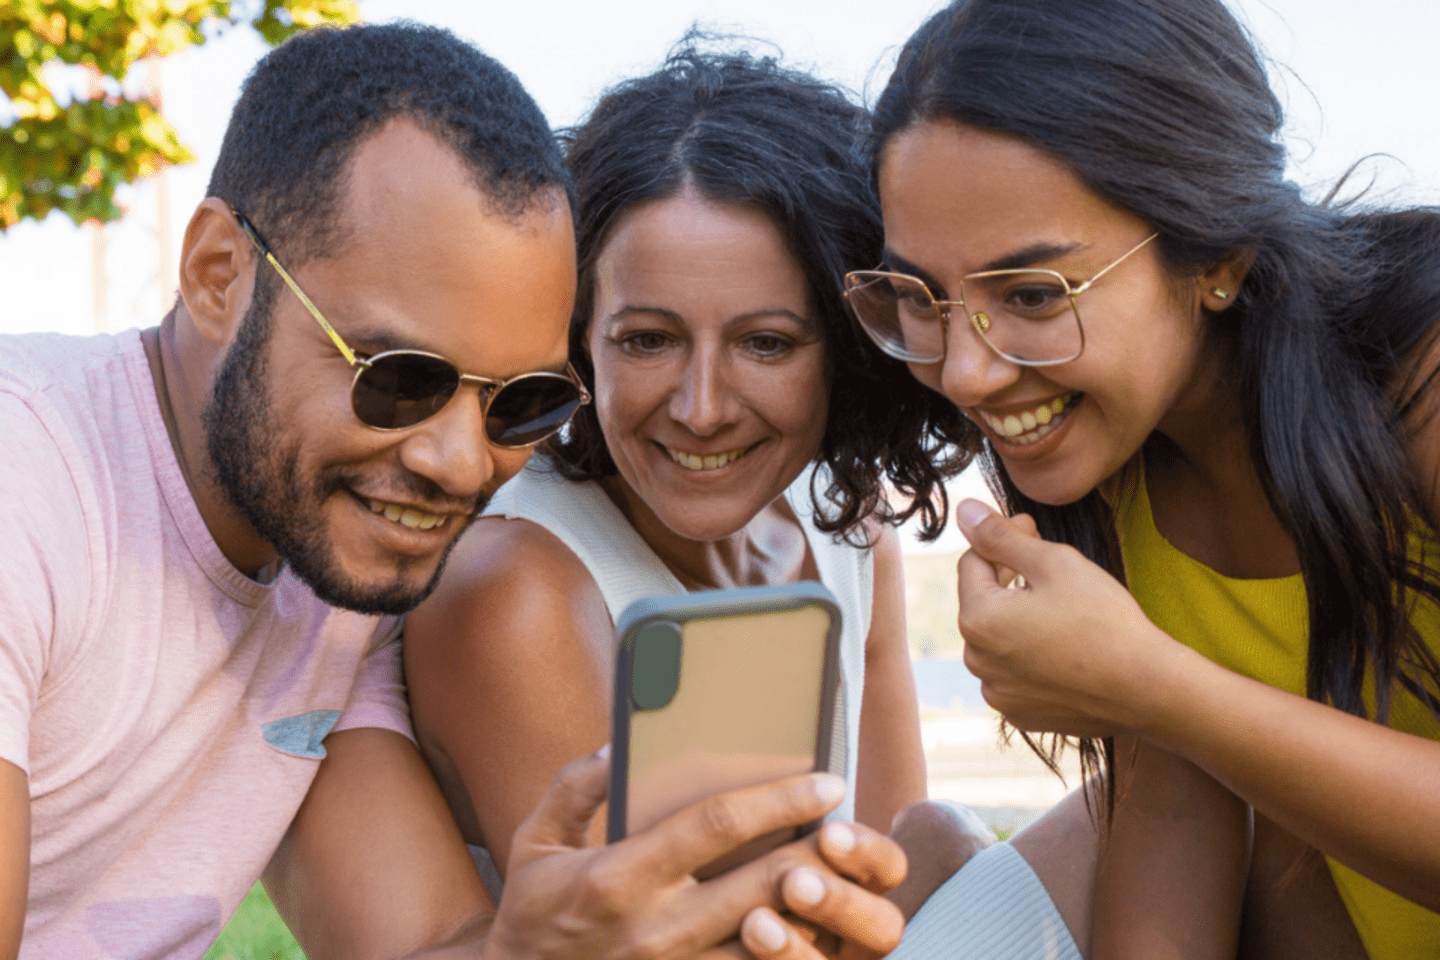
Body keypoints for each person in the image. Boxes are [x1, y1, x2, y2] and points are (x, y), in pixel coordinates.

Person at [0, 22, 910, 960]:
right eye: (400, 376)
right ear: (217, 275)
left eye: (522, 403)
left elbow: (432, 941)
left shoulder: (337, 574)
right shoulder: (29, 486)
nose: (461, 464)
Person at [839, 0, 1440, 957]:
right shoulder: (1118, 462)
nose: (964, 372)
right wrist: (1153, 700)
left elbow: (1181, 717)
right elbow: (1175, 829)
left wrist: (1151, 685)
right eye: (921, 297)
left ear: (1216, 257)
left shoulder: (1418, 386)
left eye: (1032, 295)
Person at [404, 39, 980, 925]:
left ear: (849, 347)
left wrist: (929, 853)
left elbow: (880, 890)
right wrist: (934, 857)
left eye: (766, 343)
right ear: (576, 336)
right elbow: (658, 942)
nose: (702, 408)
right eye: (648, 340)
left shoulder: (850, 528)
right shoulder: (515, 588)